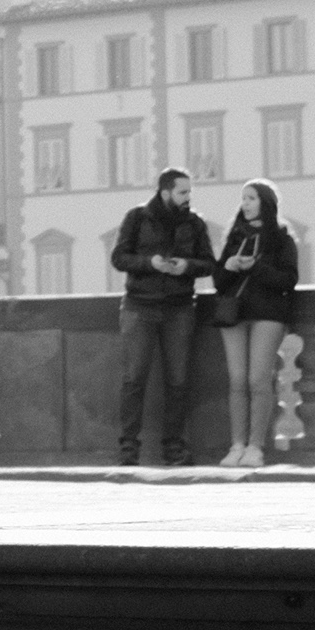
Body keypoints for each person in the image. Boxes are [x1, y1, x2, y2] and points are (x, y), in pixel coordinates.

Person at [108, 167, 215, 467]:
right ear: (165, 192)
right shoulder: (137, 217)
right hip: (139, 306)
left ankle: (174, 447)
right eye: (183, 192)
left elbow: (208, 264)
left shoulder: (194, 223)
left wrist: (186, 266)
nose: (187, 198)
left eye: (189, 193)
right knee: (134, 379)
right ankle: (128, 448)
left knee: (178, 380)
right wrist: (149, 263)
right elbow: (119, 257)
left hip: (179, 307)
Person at [210, 179, 299, 467]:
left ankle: (256, 446)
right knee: (236, 380)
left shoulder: (282, 238)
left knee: (258, 379)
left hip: (268, 314)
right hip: (234, 314)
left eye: (251, 198)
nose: (245, 203)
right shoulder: (235, 236)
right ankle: (236, 445)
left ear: (266, 203)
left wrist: (256, 267)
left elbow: (289, 279)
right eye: (243, 198)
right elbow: (219, 283)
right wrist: (228, 265)